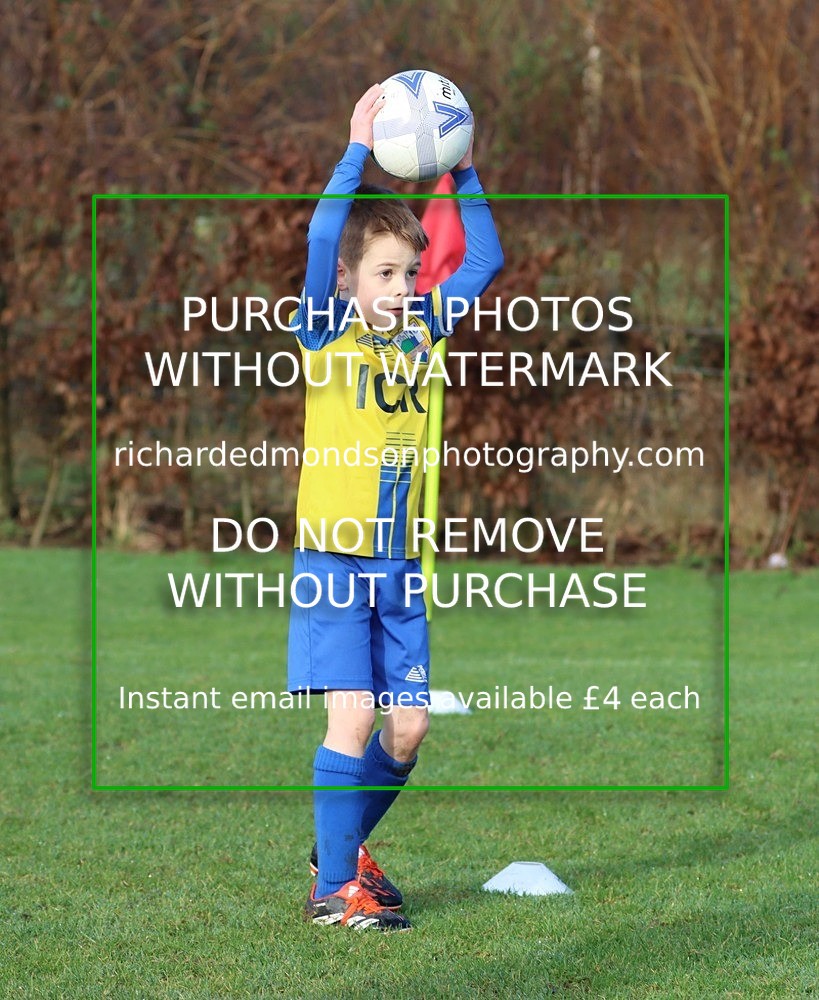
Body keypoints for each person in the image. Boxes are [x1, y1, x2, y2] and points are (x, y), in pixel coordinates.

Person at [287, 83, 503, 931]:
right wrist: (352, 152)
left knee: (407, 729)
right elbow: (316, 233)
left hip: (397, 563)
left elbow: (482, 263)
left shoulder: (420, 330)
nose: (405, 284)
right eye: (385, 272)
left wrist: (462, 163)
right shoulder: (325, 330)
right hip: (336, 557)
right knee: (355, 713)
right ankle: (334, 892)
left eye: (410, 271)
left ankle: (336, 857)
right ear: (345, 281)